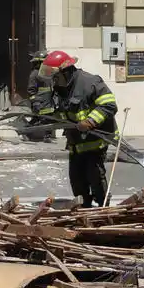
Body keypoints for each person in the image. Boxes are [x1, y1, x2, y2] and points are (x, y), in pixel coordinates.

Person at [37, 50, 118, 207]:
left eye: (55, 77)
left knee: (95, 177)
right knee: (77, 180)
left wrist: (90, 121)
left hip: (95, 141)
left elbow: (109, 105)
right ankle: (84, 209)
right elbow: (60, 111)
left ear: (66, 72)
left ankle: (103, 208)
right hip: (76, 143)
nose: (53, 81)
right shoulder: (61, 88)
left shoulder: (89, 82)